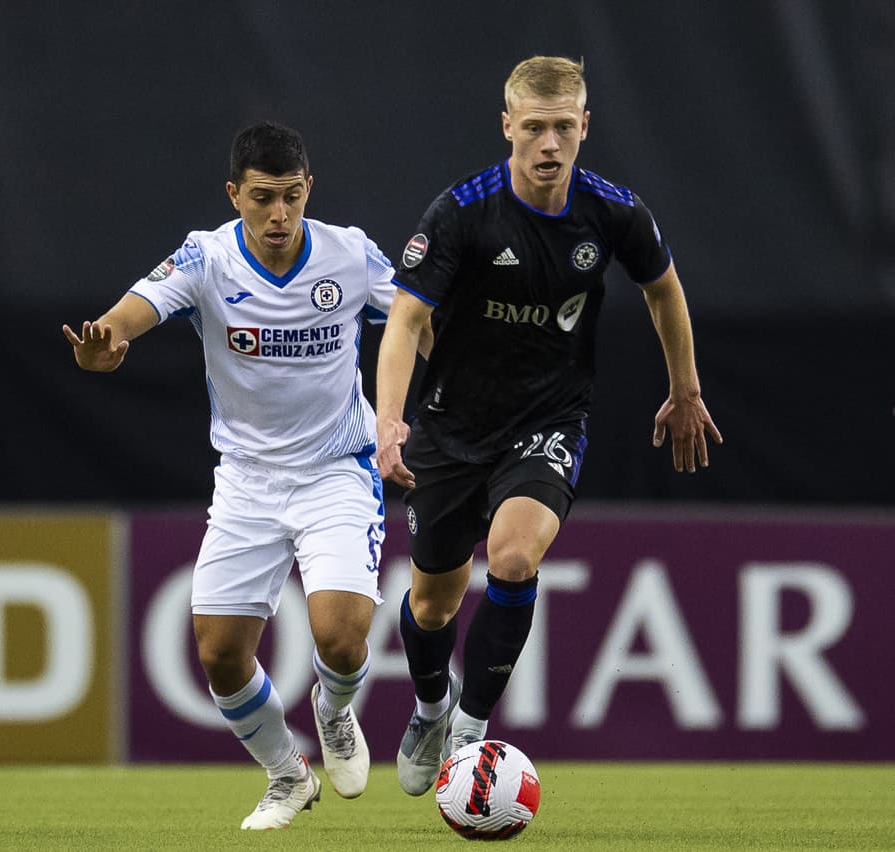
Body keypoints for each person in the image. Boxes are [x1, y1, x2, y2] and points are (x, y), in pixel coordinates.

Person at [375, 55, 723, 796]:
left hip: (548, 419)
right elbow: (405, 319)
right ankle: (432, 704)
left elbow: (664, 290)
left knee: (514, 557)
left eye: (563, 127)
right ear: (508, 127)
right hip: (450, 426)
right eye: (533, 127)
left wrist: (684, 389)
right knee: (434, 599)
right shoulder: (462, 212)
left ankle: (470, 730)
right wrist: (390, 422)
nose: (548, 144)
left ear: (585, 127)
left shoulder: (614, 211)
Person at [63, 122, 426, 829]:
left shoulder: (349, 253)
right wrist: (106, 343)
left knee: (341, 639)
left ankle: (333, 708)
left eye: (292, 196)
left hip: (335, 471)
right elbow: (128, 315)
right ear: (235, 196)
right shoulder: (206, 258)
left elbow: (414, 315)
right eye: (263, 199)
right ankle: (287, 776)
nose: (280, 215)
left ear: (309, 189)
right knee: (220, 654)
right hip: (248, 481)